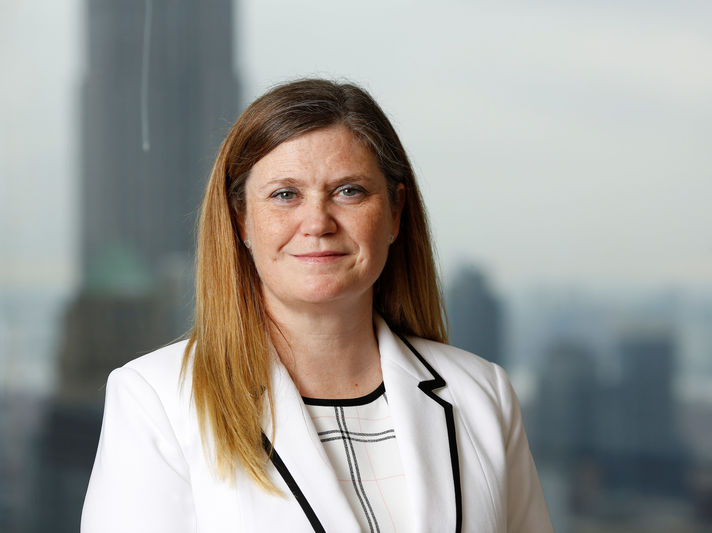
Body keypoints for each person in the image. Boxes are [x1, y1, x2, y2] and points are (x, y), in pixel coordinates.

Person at [81, 79, 553, 533]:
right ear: (241, 219)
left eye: (349, 191)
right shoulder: (156, 398)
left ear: (395, 212)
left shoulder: (480, 393)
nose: (317, 222)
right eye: (285, 195)